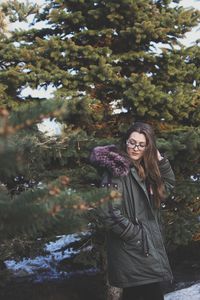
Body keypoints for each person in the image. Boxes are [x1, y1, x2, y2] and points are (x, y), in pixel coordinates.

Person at [90, 122, 175, 300]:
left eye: (141, 144)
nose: (135, 148)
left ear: (148, 147)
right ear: (125, 142)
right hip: (133, 250)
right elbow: (108, 212)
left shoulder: (143, 169)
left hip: (142, 250)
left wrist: (161, 162)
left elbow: (165, 190)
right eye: (132, 142)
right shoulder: (116, 172)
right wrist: (137, 235)